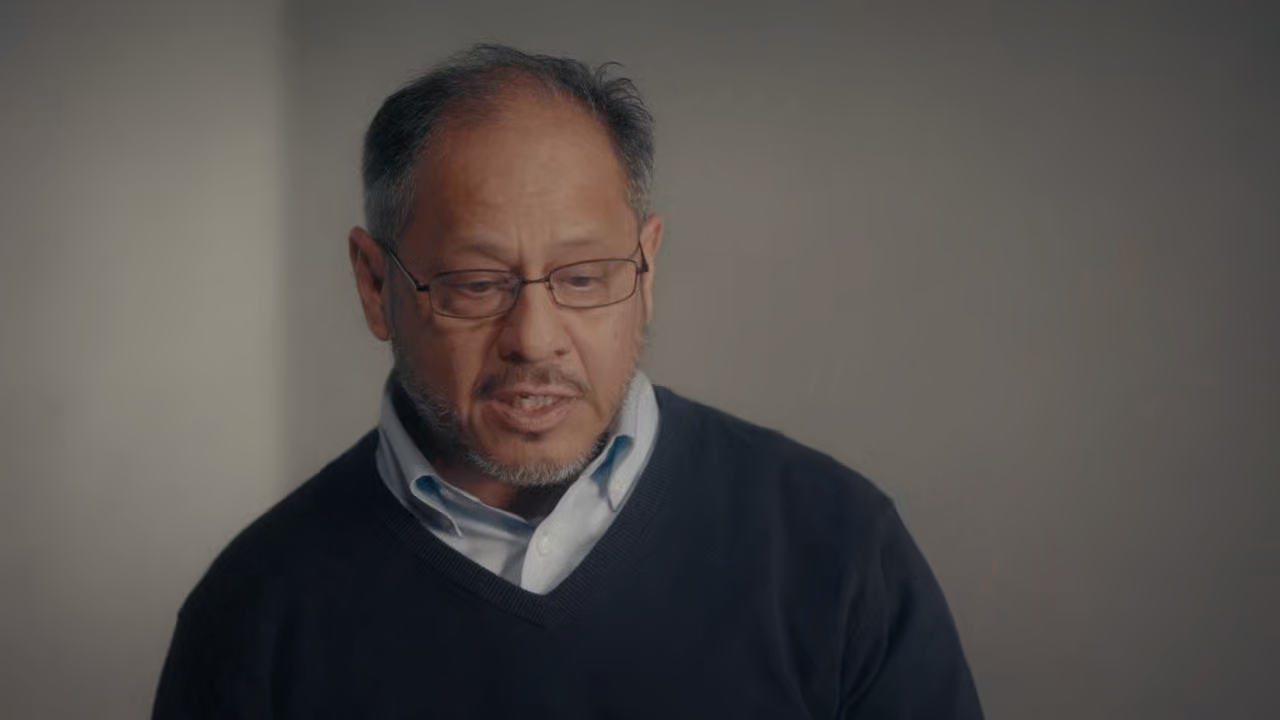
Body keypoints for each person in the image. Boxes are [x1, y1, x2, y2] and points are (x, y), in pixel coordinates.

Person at [153, 43, 983, 719]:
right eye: (477, 285)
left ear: (647, 268)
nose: (536, 339)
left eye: (584, 278)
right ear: (376, 286)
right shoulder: (254, 614)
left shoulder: (838, 549)